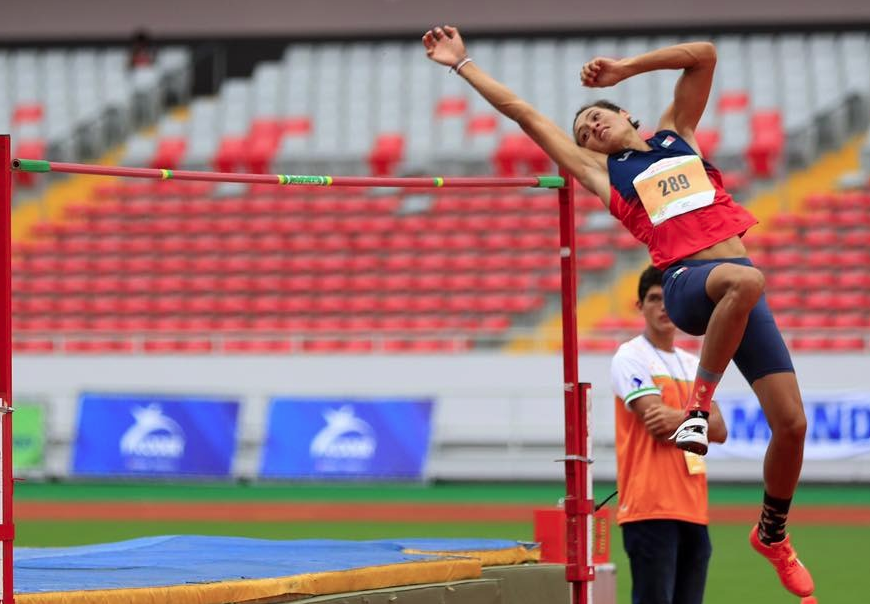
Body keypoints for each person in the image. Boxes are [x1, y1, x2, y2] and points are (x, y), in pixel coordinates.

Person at [422, 26, 814, 598]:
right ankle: (698, 411)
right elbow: (526, 115)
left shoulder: (679, 135)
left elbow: (703, 55)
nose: (589, 129)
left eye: (595, 119)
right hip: (686, 283)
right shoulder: (603, 175)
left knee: (792, 423)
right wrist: (461, 65)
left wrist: (625, 66)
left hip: (738, 294)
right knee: (748, 278)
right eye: (583, 132)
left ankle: (772, 534)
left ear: (624, 112)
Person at [612, 265, 727, 604]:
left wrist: (680, 417)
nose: (663, 307)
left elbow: (721, 430)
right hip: (649, 506)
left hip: (692, 506)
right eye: (654, 299)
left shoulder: (694, 363)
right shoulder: (630, 356)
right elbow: (657, 426)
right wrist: (699, 417)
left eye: (668, 299)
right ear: (640, 306)